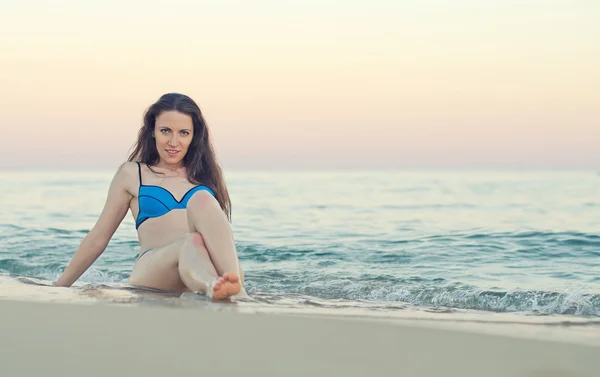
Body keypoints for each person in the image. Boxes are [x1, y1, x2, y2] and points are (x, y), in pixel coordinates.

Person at [55, 93, 246, 300]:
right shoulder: (132, 173)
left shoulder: (206, 176)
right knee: (190, 242)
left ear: (194, 136)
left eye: (183, 133)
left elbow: (222, 237)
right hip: (154, 271)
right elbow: (98, 238)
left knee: (201, 207)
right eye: (166, 131)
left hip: (200, 265)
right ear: (152, 131)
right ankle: (214, 287)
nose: (174, 142)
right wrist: (59, 286)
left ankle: (233, 291)